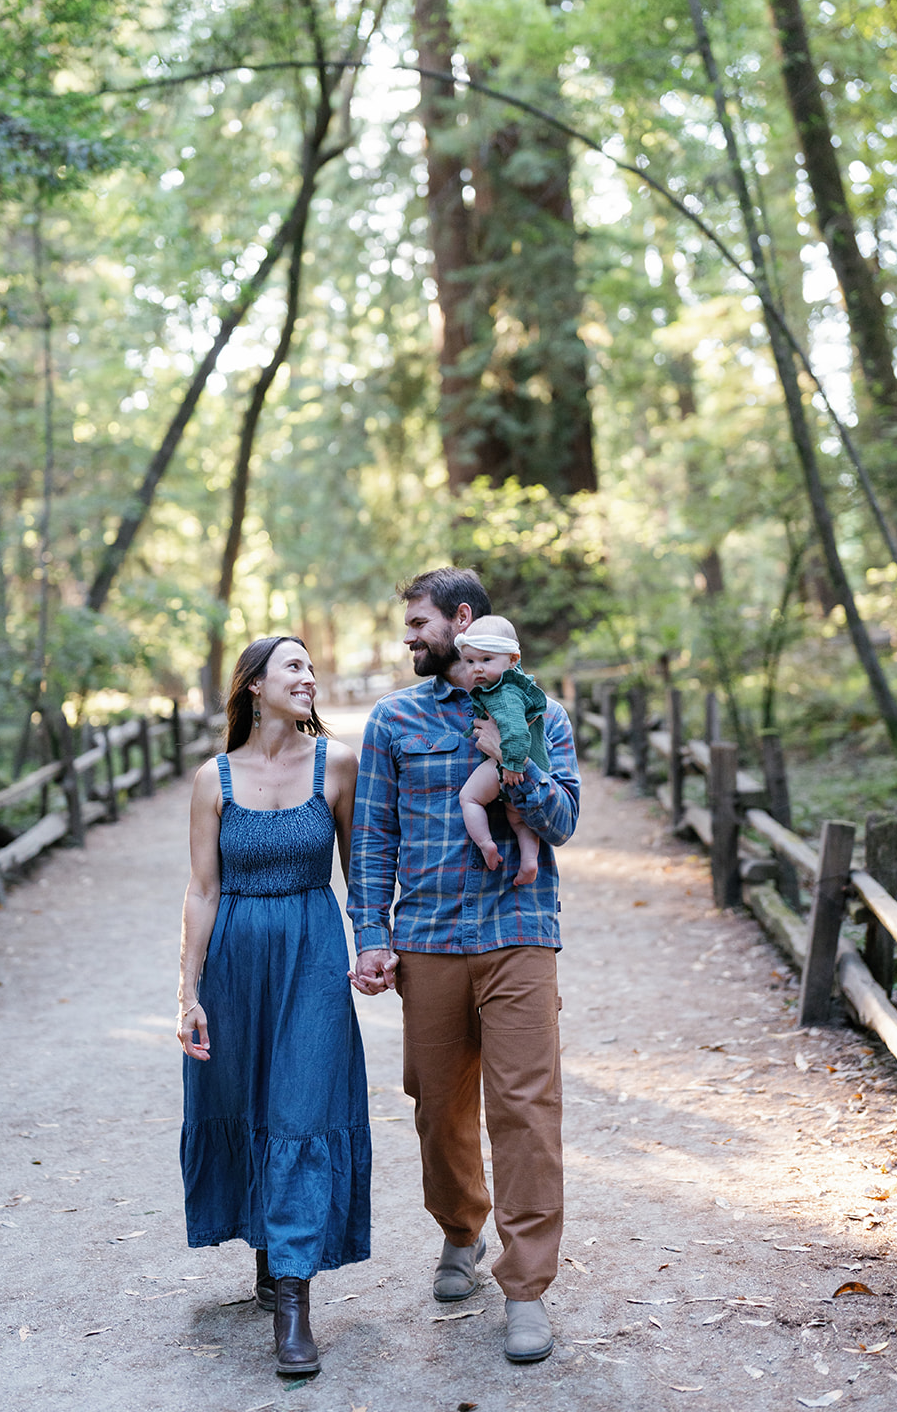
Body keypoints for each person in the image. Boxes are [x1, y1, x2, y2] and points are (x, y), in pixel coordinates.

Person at [347, 568, 579, 1365]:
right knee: (436, 1105)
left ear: (462, 620)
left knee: (525, 1107)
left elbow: (562, 821)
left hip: (519, 931)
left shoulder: (540, 712)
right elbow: (371, 838)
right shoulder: (394, 720)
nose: (409, 636)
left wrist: (511, 761)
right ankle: (460, 1233)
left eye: (418, 622)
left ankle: (526, 1289)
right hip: (428, 940)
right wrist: (370, 935)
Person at [177, 636, 369, 1377]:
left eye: (312, 668)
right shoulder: (213, 778)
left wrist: (378, 950)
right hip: (234, 961)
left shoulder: (338, 763)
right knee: (248, 1100)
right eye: (293, 666)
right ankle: (269, 1247)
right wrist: (187, 993)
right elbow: (201, 889)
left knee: (299, 1109)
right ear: (253, 686)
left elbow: (360, 873)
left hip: (311, 956)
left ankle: (293, 1301)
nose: (309, 677)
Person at [454, 615, 549, 887]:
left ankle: (485, 844)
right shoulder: (511, 687)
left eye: (486, 660)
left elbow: (518, 732)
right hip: (528, 765)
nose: (477, 669)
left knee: (469, 798)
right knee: (518, 819)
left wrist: (511, 764)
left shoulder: (504, 693)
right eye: (470, 662)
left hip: (509, 765)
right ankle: (529, 861)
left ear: (513, 660)